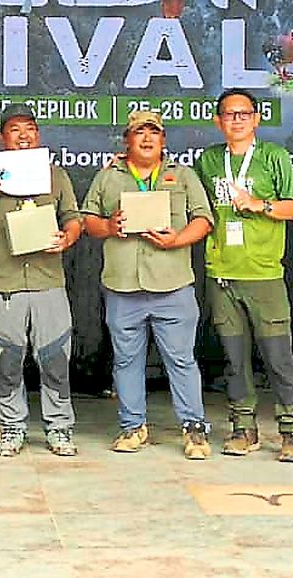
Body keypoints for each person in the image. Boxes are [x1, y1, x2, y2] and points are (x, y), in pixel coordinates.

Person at [81, 110, 215, 460]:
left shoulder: (181, 175)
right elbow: (87, 221)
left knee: (182, 361)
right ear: (127, 139)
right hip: (123, 286)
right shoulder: (108, 177)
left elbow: (204, 219)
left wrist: (178, 239)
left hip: (173, 286)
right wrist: (110, 226)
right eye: (139, 133)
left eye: (153, 132)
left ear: (163, 139)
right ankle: (132, 426)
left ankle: (194, 429)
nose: (146, 138)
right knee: (126, 362)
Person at [0, 102, 83, 457]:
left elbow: (73, 218)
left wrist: (67, 237)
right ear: (2, 136)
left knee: (55, 358)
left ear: (37, 134)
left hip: (47, 281)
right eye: (15, 129)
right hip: (4, 283)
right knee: (8, 360)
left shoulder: (54, 174)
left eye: (29, 128)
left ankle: (59, 428)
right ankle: (11, 428)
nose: (23, 135)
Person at [195, 88, 293, 462]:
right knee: (233, 359)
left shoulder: (273, 157)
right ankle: (243, 428)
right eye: (229, 114)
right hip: (222, 274)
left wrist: (259, 204)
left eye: (244, 114)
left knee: (278, 358)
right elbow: (186, 196)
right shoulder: (209, 160)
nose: (237, 120)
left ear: (256, 119)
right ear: (218, 120)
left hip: (264, 275)